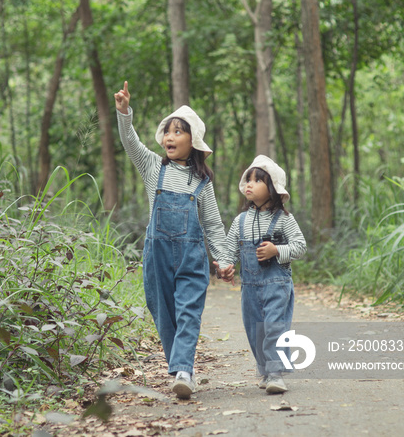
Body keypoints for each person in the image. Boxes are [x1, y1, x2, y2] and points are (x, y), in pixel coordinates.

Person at [114, 81, 232, 399]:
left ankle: (184, 371)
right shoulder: (154, 168)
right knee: (163, 311)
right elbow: (130, 143)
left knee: (188, 311)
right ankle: (178, 364)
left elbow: (212, 223)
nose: (170, 136)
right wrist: (124, 112)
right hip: (158, 254)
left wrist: (223, 258)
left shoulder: (202, 182)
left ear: (193, 141)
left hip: (192, 256)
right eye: (167, 131)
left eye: (178, 131)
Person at [217, 155, 307, 394]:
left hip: (276, 283)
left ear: (273, 189)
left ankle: (276, 373)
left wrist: (278, 250)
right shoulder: (240, 220)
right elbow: (229, 250)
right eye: (248, 179)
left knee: (274, 327)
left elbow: (300, 246)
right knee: (254, 328)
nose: (250, 183)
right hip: (250, 286)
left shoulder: (284, 219)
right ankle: (266, 371)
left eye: (257, 180)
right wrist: (225, 266)